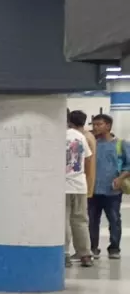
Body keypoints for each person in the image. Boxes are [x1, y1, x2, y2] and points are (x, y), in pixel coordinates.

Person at [88, 113, 130, 259]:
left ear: (108, 126)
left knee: (114, 219)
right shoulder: (91, 143)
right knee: (92, 220)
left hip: (112, 190)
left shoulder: (120, 144)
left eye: (99, 124)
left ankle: (114, 248)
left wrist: (120, 178)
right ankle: (93, 248)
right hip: (92, 189)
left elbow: (128, 165)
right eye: (94, 124)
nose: (95, 127)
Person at [65, 110, 95, 268]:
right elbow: (89, 161)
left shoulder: (58, 135)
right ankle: (85, 255)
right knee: (81, 221)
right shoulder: (81, 136)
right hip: (79, 185)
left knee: (62, 221)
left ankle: (64, 255)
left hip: (61, 187)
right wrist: (89, 185)